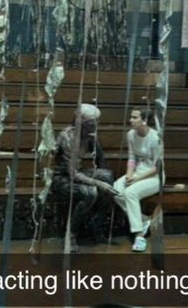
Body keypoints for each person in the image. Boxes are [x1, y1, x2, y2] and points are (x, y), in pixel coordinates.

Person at [52, 103, 118, 252]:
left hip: (79, 173)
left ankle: (97, 222)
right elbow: (73, 174)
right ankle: (71, 234)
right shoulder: (68, 137)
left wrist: (105, 185)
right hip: (61, 177)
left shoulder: (89, 135)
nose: (96, 126)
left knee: (107, 176)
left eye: (97, 122)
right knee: (90, 192)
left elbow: (101, 161)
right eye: (92, 123)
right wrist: (99, 184)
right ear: (80, 122)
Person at [114, 107, 162, 252]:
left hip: (154, 176)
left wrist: (137, 179)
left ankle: (139, 235)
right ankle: (144, 220)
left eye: (135, 117)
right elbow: (131, 158)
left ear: (144, 120)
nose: (131, 120)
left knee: (130, 193)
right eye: (131, 117)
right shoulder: (131, 134)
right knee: (116, 189)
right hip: (137, 172)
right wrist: (129, 174)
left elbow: (158, 167)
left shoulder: (155, 137)